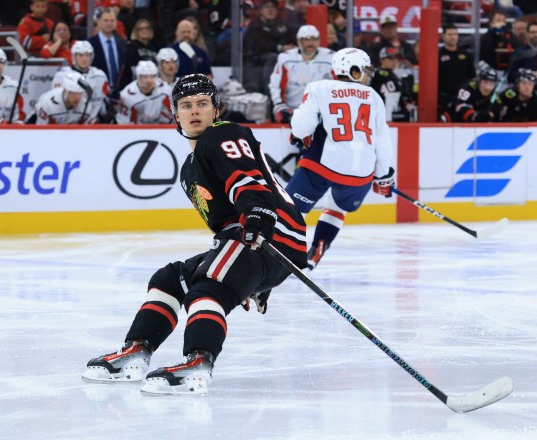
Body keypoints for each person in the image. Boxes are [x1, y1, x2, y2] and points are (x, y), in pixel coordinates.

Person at [81, 74, 308, 395]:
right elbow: (225, 222)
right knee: (172, 279)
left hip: (268, 235)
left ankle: (198, 361)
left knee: (208, 285)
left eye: (203, 103)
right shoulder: (190, 167)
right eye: (186, 106)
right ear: (175, 115)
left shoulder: (223, 133)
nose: (194, 111)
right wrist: (248, 279)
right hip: (258, 244)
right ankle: (136, 351)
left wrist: (258, 214)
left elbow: (247, 178)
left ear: (217, 110)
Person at [284, 48, 394, 270]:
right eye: (364, 70)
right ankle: (319, 247)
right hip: (360, 174)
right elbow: (382, 140)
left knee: (289, 210)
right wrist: (383, 175)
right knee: (336, 208)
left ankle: (279, 251)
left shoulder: (319, 88)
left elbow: (301, 126)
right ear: (352, 70)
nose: (367, 75)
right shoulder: (374, 96)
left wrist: (298, 135)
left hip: (322, 166)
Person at [268, 25, 334, 124]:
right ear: (299, 41)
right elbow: (275, 85)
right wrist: (279, 104)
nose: (310, 43)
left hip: (322, 111)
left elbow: (338, 85)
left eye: (314, 39)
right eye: (306, 40)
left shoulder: (331, 57)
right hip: (292, 111)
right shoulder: (286, 58)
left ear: (319, 41)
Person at [53, 40, 110, 123]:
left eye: (87, 55)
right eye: (81, 55)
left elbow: (104, 104)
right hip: (68, 122)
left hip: (94, 123)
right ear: (74, 57)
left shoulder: (100, 75)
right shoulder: (62, 75)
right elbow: (57, 102)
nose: (84, 59)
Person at [243, 0, 293, 94]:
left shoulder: (282, 26)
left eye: (273, 7)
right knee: (272, 57)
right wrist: (280, 48)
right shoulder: (255, 26)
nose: (270, 10)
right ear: (261, 10)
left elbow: (289, 42)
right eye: (267, 7)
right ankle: (268, 90)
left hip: (280, 61)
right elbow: (257, 46)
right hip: (257, 62)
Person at [88, 7, 131, 94]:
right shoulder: (90, 44)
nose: (109, 23)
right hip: (97, 91)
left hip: (120, 93)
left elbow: (126, 70)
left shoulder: (122, 43)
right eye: (106, 20)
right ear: (98, 22)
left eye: (112, 21)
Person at [115, 60, 172, 124]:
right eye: (145, 77)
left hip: (160, 128)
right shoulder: (126, 96)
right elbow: (124, 123)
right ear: (138, 77)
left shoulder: (165, 90)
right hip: (136, 131)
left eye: (152, 76)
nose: (149, 80)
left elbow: (171, 114)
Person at [370, 46, 416, 122]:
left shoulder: (395, 75)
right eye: (391, 58)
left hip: (394, 114)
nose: (394, 61)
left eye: (396, 58)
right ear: (382, 60)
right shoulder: (376, 74)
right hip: (380, 116)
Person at [438, 24, 476, 114]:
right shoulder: (437, 55)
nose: (453, 37)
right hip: (444, 97)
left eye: (455, 34)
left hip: (462, 96)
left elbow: (472, 76)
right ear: (443, 36)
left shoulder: (466, 54)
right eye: (450, 34)